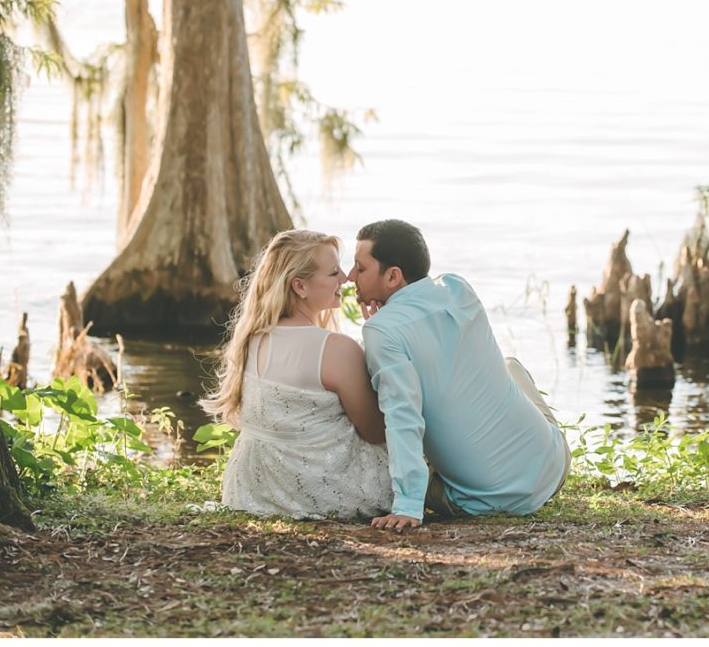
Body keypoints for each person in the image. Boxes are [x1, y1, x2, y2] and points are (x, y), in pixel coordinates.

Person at [349, 218, 570, 531]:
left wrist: (408, 507)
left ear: (393, 276)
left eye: (360, 268)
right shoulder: (457, 288)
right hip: (552, 467)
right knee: (510, 366)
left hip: (488, 500)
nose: (349, 277)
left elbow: (403, 418)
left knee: (379, 452)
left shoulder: (381, 331)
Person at [214, 230, 391, 520]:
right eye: (333, 272)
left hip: (248, 491)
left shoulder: (251, 338)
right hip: (321, 493)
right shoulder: (336, 350)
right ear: (300, 286)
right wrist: (382, 341)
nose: (345, 278)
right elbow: (375, 431)